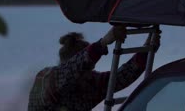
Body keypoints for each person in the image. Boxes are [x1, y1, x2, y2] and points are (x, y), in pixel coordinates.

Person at [28, 26, 160, 111]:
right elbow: (73, 69)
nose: (91, 72)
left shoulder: (90, 83)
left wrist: (146, 50)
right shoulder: (47, 78)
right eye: (87, 69)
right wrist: (103, 42)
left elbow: (120, 78)